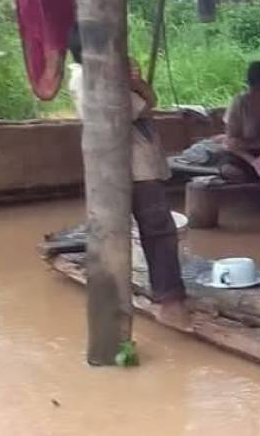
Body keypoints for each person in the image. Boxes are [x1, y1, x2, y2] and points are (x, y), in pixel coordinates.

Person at [68, 54, 188, 329]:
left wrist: (138, 84)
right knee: (156, 228)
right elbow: (139, 109)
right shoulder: (89, 78)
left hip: (134, 164)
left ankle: (164, 297)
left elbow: (148, 101)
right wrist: (136, 87)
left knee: (152, 229)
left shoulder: (103, 74)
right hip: (129, 166)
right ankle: (167, 301)